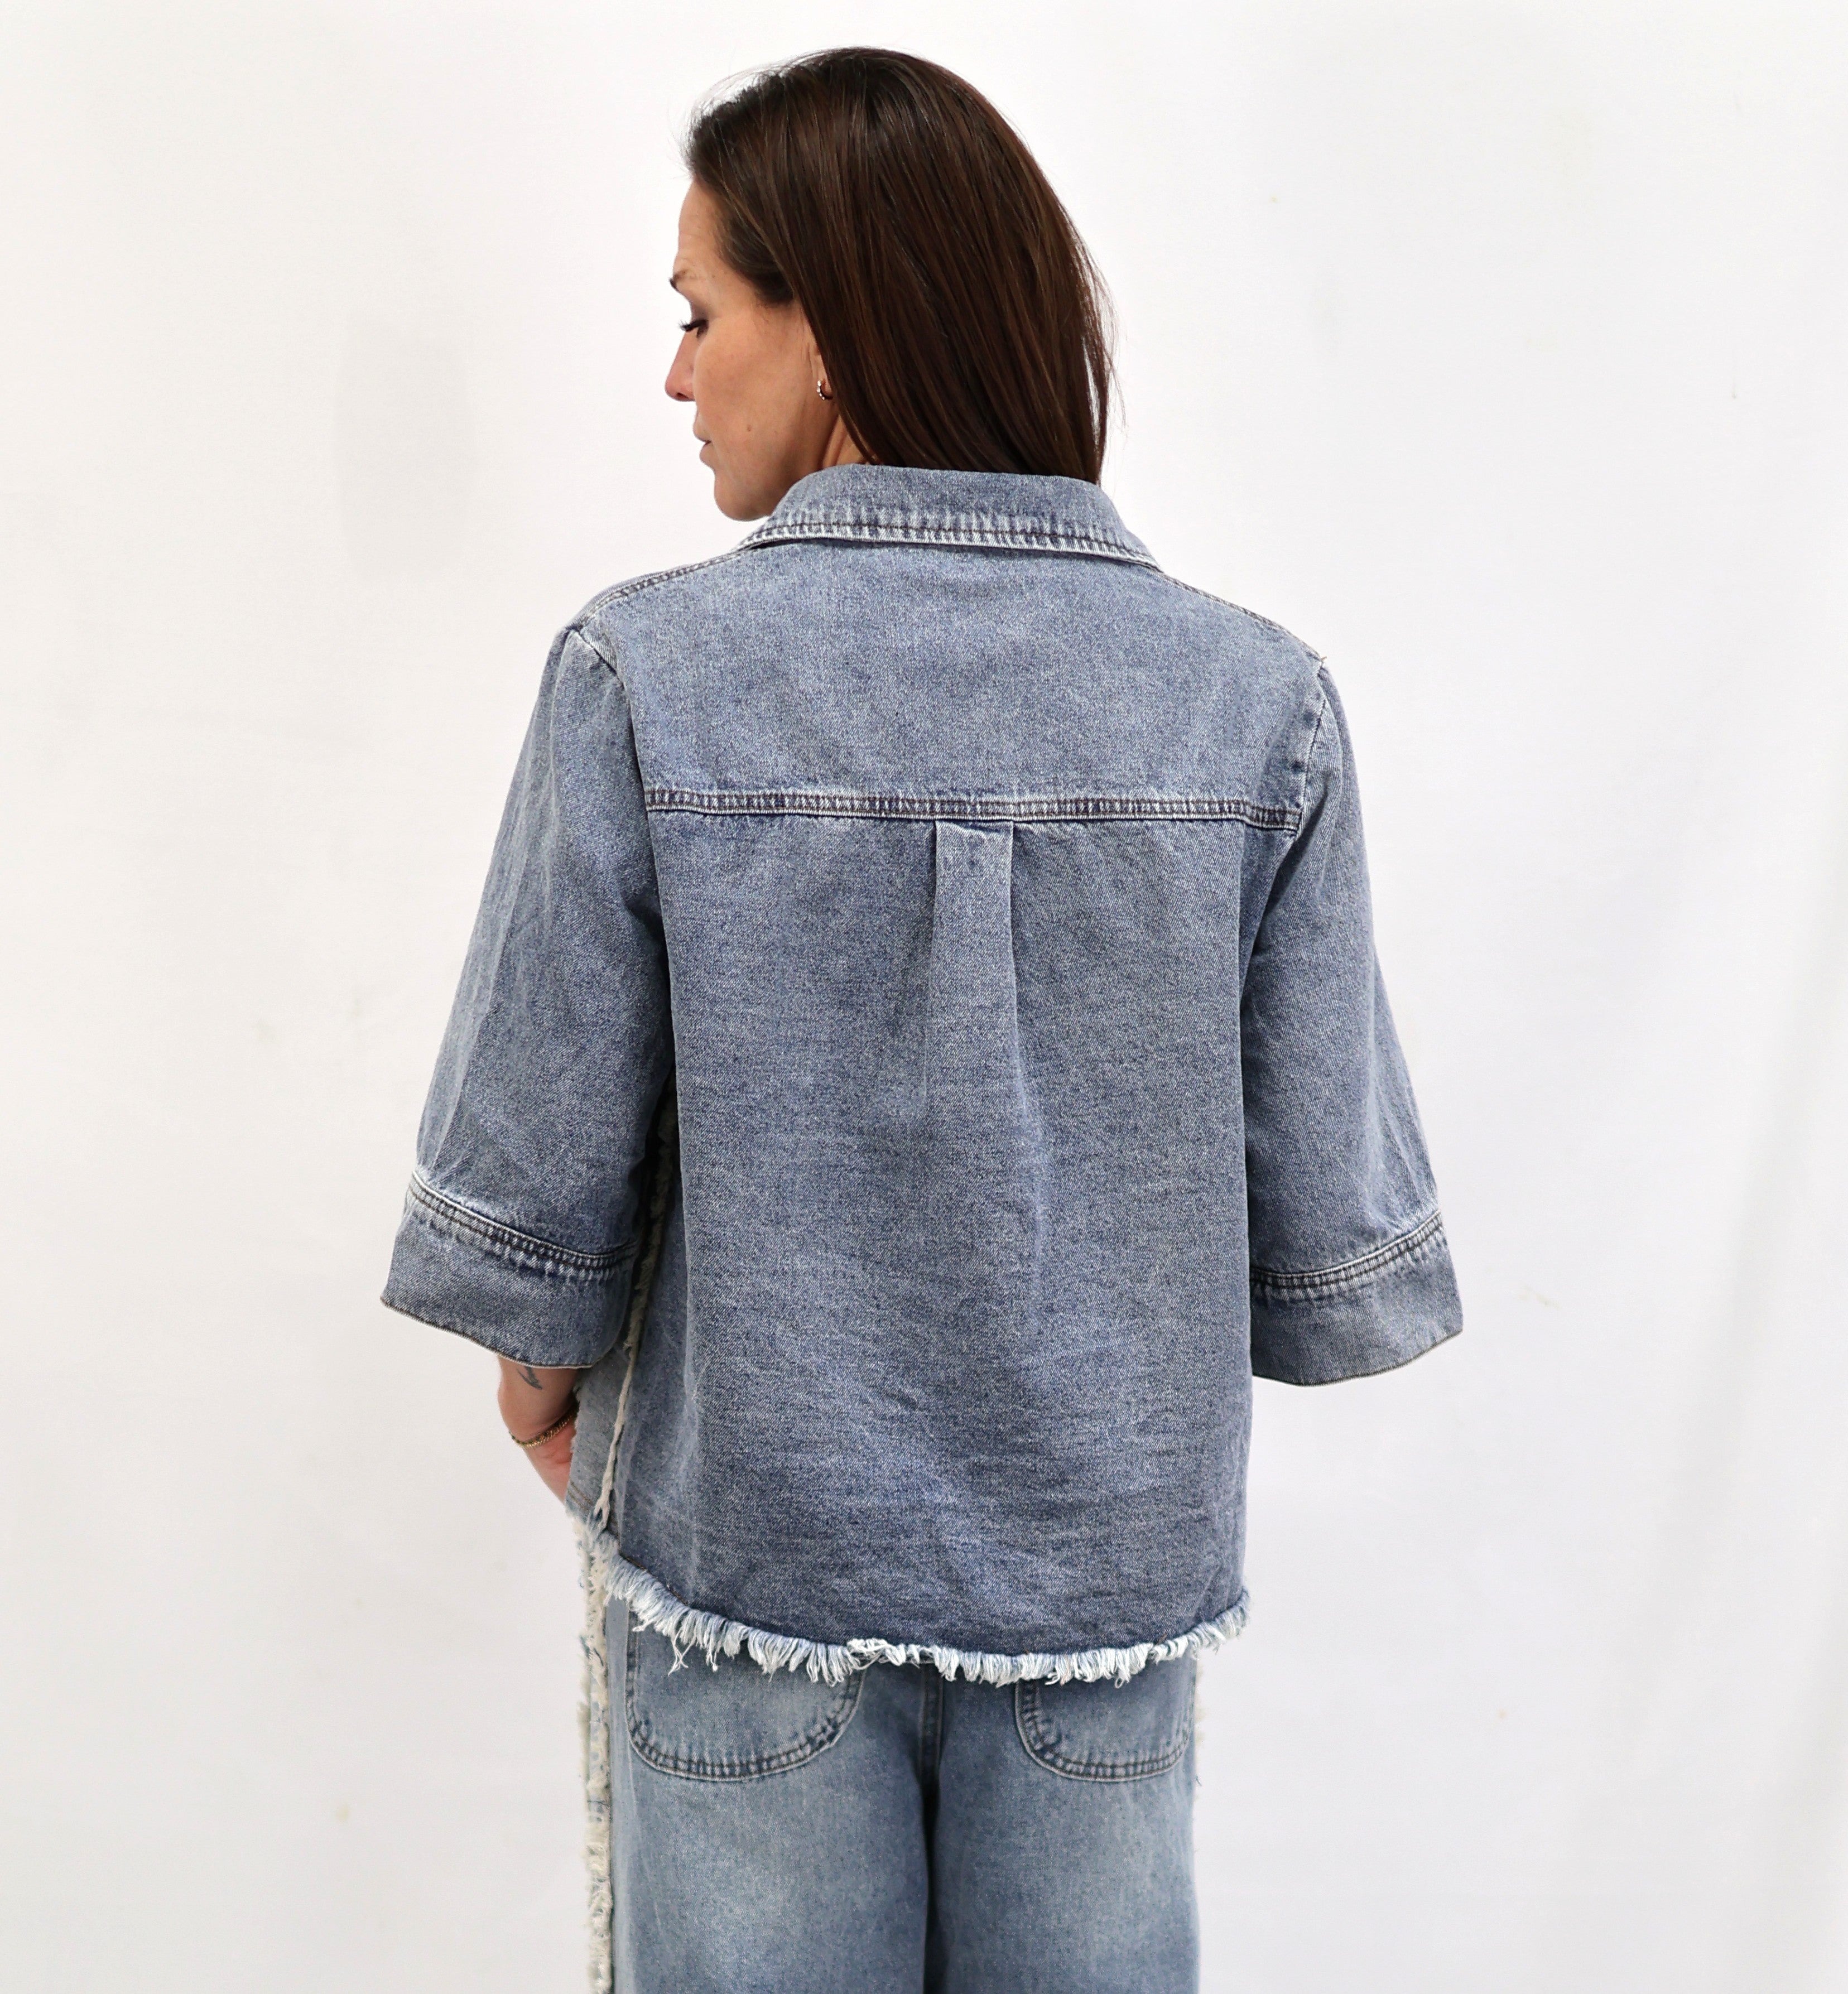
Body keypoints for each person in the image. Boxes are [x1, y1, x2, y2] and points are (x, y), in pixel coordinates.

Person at [382, 46, 1461, 1994]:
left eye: (700, 313)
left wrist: (545, 1367)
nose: (678, 375)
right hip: (1100, 1592)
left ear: (831, 325)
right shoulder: (1253, 704)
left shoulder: (646, 673)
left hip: (751, 1559)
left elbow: (533, 1188)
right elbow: (1325, 1239)